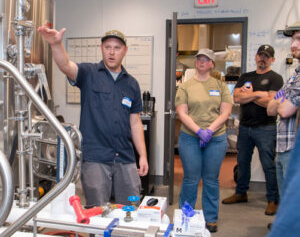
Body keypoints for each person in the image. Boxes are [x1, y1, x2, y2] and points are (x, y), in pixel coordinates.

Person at [38, 26, 148, 206]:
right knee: (96, 213)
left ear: (125, 51)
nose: (112, 52)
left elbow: (135, 123)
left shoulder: (132, 84)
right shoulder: (89, 74)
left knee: (131, 209)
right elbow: (66, 65)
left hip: (126, 158)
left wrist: (142, 155)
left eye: (117, 48)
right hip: (96, 158)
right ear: (101, 49)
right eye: (107, 47)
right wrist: (56, 44)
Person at [175, 48, 232, 233]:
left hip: (215, 138)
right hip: (190, 137)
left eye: (206, 59)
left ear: (212, 64)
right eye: (199, 58)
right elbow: (182, 113)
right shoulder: (185, 86)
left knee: (211, 180)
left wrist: (209, 130)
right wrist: (199, 131)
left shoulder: (220, 85)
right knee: (191, 179)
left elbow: (225, 112)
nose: (201, 61)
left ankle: (211, 218)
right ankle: (186, 216)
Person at [222, 44, 283, 216]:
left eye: (266, 56)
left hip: (266, 128)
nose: (262, 58)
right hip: (245, 127)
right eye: (260, 55)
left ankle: (273, 199)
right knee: (242, 162)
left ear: (272, 59)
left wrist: (249, 95)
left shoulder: (276, 78)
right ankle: (241, 193)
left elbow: (272, 102)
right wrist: (259, 94)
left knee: (268, 165)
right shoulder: (246, 76)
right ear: (256, 57)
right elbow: (236, 97)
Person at [266, 21, 300, 231]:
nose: (293, 45)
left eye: (298, 39)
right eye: (293, 39)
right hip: (283, 145)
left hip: (293, 147)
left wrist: (279, 101)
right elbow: (271, 107)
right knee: (286, 197)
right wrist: (280, 100)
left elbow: (285, 110)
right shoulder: (295, 75)